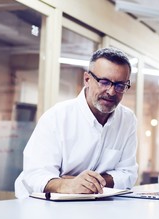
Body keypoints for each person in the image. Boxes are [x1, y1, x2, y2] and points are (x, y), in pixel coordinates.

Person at [15, 47, 138, 198]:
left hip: (93, 206)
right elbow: (35, 175)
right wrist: (67, 184)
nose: (111, 92)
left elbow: (128, 174)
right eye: (104, 82)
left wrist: (88, 183)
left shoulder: (128, 120)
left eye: (120, 86)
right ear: (87, 79)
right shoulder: (57, 117)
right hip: (40, 206)